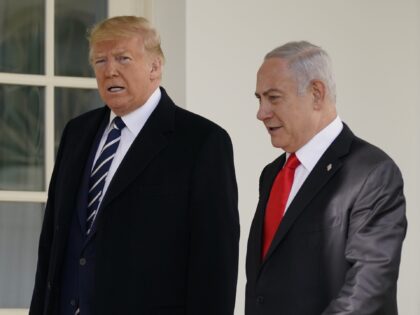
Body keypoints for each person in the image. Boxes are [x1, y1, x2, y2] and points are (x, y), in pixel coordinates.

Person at [30, 16, 239, 315]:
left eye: (123, 58)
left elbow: (215, 263)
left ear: (155, 67)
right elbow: (51, 243)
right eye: (100, 61)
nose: (110, 70)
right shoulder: (76, 133)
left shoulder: (202, 142)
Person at [246, 41, 407, 315]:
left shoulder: (372, 172)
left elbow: (367, 289)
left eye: (273, 98)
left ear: (316, 93)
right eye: (259, 99)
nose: (261, 113)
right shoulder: (271, 175)